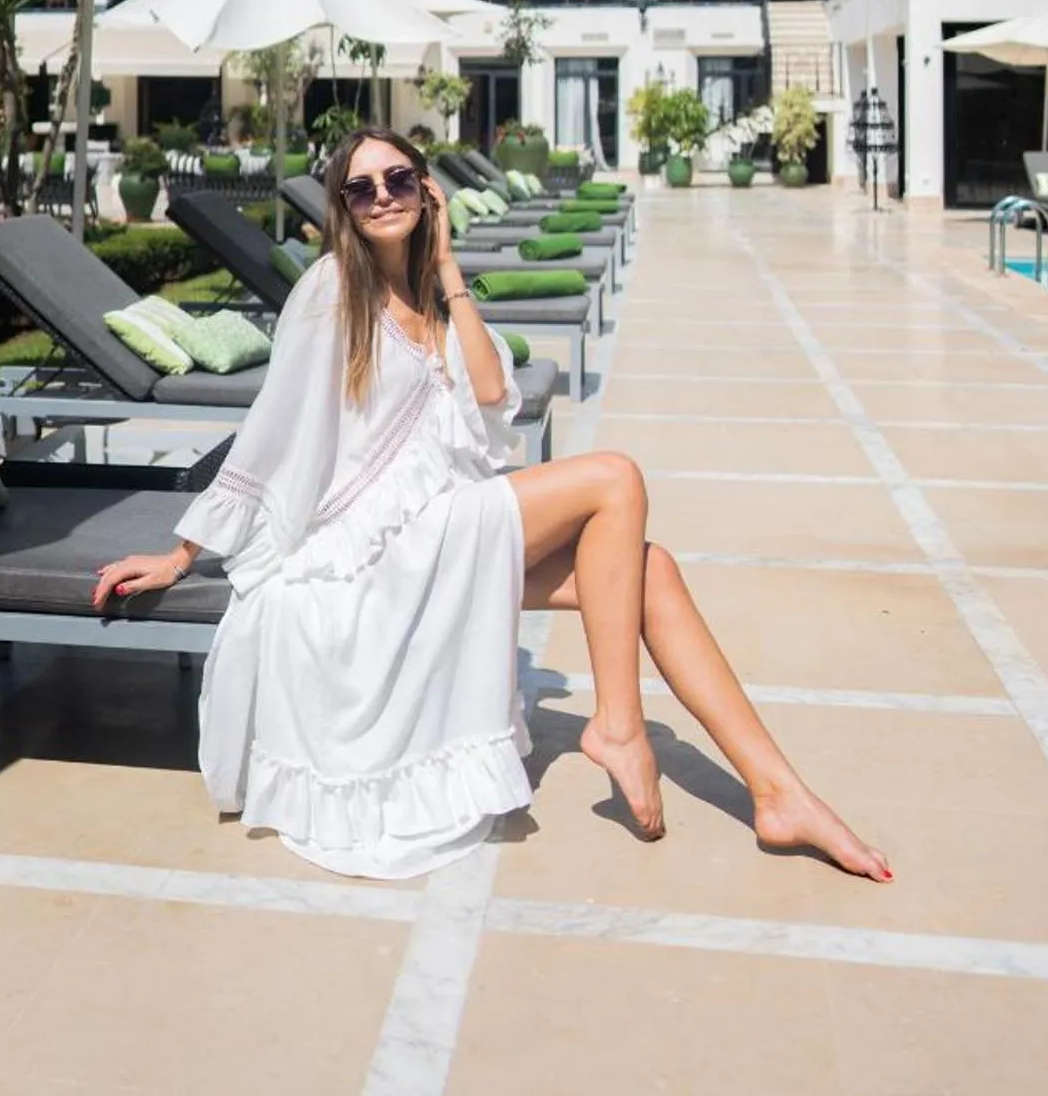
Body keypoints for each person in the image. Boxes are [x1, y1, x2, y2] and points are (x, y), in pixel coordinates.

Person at [94, 129, 889, 886]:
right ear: (342, 205)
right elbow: (269, 433)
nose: (381, 198)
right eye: (360, 189)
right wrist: (184, 552)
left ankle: (777, 791)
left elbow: (487, 396)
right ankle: (618, 725)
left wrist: (445, 268)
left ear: (425, 189)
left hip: (439, 534)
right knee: (614, 478)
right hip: (371, 558)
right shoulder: (332, 289)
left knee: (647, 570)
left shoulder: (427, 292)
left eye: (398, 180)